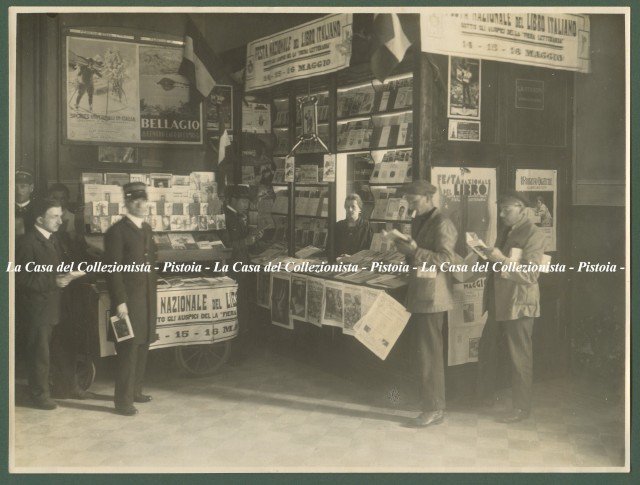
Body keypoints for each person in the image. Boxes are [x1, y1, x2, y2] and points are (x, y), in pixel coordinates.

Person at [476, 190, 547, 423]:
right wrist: (485, 255)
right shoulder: (506, 230)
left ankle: (521, 408)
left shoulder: (534, 234)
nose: (502, 213)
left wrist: (500, 259)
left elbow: (531, 274)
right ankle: (485, 396)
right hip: (498, 301)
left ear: (522, 210)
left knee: (519, 357)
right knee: (487, 348)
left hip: (519, 304)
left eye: (507, 209)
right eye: (501, 209)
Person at [393, 180, 458, 428]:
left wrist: (415, 251)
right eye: (408, 200)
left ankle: (434, 408)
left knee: (430, 354)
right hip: (420, 293)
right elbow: (418, 254)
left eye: (414, 200)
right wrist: (406, 249)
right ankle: (429, 403)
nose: (410, 205)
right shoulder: (419, 219)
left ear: (429, 197)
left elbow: (447, 260)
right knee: (423, 353)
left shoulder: (443, 222)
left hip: (433, 297)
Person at [104, 182, 158, 416]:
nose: (141, 204)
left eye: (143, 200)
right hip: (129, 300)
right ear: (126, 202)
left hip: (146, 298)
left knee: (143, 343)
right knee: (128, 349)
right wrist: (120, 301)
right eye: (135, 200)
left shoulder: (145, 228)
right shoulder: (117, 232)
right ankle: (123, 401)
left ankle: (136, 391)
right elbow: (112, 270)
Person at [15, 198, 70, 409]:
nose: (60, 221)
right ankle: (39, 395)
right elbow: (21, 278)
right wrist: (53, 280)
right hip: (36, 308)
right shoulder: (27, 242)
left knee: (49, 351)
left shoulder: (53, 239)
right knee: (39, 354)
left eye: (60, 216)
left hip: (52, 305)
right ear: (40, 219)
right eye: (54, 216)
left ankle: (56, 388)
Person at [224, 185, 263, 362]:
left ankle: (239, 350)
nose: (246, 203)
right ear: (232, 199)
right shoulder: (226, 217)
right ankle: (234, 353)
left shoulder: (239, 217)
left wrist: (254, 237)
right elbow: (225, 246)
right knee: (236, 308)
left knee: (242, 307)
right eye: (243, 200)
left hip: (241, 268)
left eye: (247, 200)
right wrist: (246, 241)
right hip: (233, 270)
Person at [15, 169, 36, 240]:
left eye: (23, 186)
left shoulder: (38, 210)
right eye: (15, 187)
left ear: (31, 188)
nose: (18, 191)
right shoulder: (5, 209)